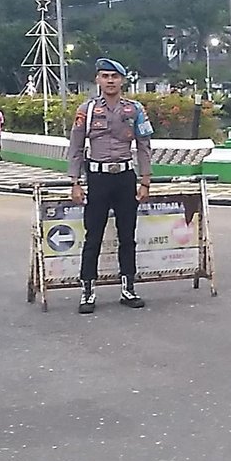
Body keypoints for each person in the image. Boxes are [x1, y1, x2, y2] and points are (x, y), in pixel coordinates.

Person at [67, 57, 155, 314]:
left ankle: (128, 288)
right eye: (105, 76)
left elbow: (143, 146)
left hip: (125, 177)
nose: (110, 81)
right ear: (97, 79)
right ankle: (87, 291)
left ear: (122, 80)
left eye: (114, 77)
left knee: (127, 235)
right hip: (97, 178)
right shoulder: (87, 110)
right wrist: (74, 182)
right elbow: (75, 146)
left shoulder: (134, 109)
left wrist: (145, 181)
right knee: (93, 235)